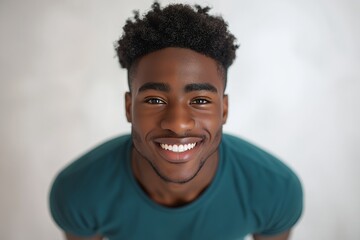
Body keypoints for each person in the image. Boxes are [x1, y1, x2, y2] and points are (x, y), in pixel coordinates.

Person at [49, 2, 303, 240]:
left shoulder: (274, 189)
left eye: (201, 100)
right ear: (129, 107)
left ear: (224, 110)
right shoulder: (79, 191)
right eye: (155, 100)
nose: (178, 124)